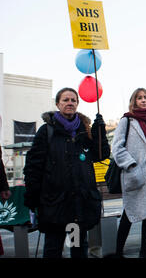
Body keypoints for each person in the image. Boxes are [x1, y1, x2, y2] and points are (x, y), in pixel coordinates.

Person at [23, 87, 109, 258]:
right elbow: (34, 166)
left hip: (78, 206)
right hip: (55, 205)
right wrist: (32, 197)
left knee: (77, 247)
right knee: (53, 248)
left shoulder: (83, 130)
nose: (70, 103)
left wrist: (100, 133)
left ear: (77, 103)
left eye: (73, 100)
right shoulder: (46, 131)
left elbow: (101, 155)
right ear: (57, 104)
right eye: (65, 100)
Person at [111, 88, 146, 258]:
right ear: (134, 101)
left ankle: (144, 251)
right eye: (139, 98)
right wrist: (131, 165)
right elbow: (117, 147)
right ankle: (118, 252)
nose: (143, 100)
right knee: (129, 214)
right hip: (134, 174)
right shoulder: (126, 121)